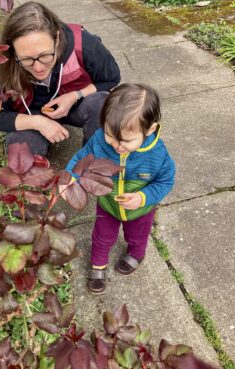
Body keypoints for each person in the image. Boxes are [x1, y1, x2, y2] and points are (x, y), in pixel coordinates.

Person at [63, 83, 175, 294]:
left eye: (125, 140)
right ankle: (98, 265)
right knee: (102, 236)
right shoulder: (99, 140)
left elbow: (166, 181)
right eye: (110, 135)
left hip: (140, 210)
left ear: (150, 129)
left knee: (137, 236)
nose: (116, 145)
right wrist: (71, 176)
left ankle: (136, 254)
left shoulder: (157, 154)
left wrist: (143, 197)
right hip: (107, 203)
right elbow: (81, 158)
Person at [0, 1, 120, 156]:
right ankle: (39, 171)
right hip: (31, 112)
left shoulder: (83, 43)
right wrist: (38, 122)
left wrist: (75, 95)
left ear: (57, 38)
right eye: (26, 59)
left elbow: (111, 79)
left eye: (45, 55)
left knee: (103, 103)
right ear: (12, 50)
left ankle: (93, 159)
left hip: (76, 105)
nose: (38, 68)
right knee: (21, 151)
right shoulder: (2, 63)